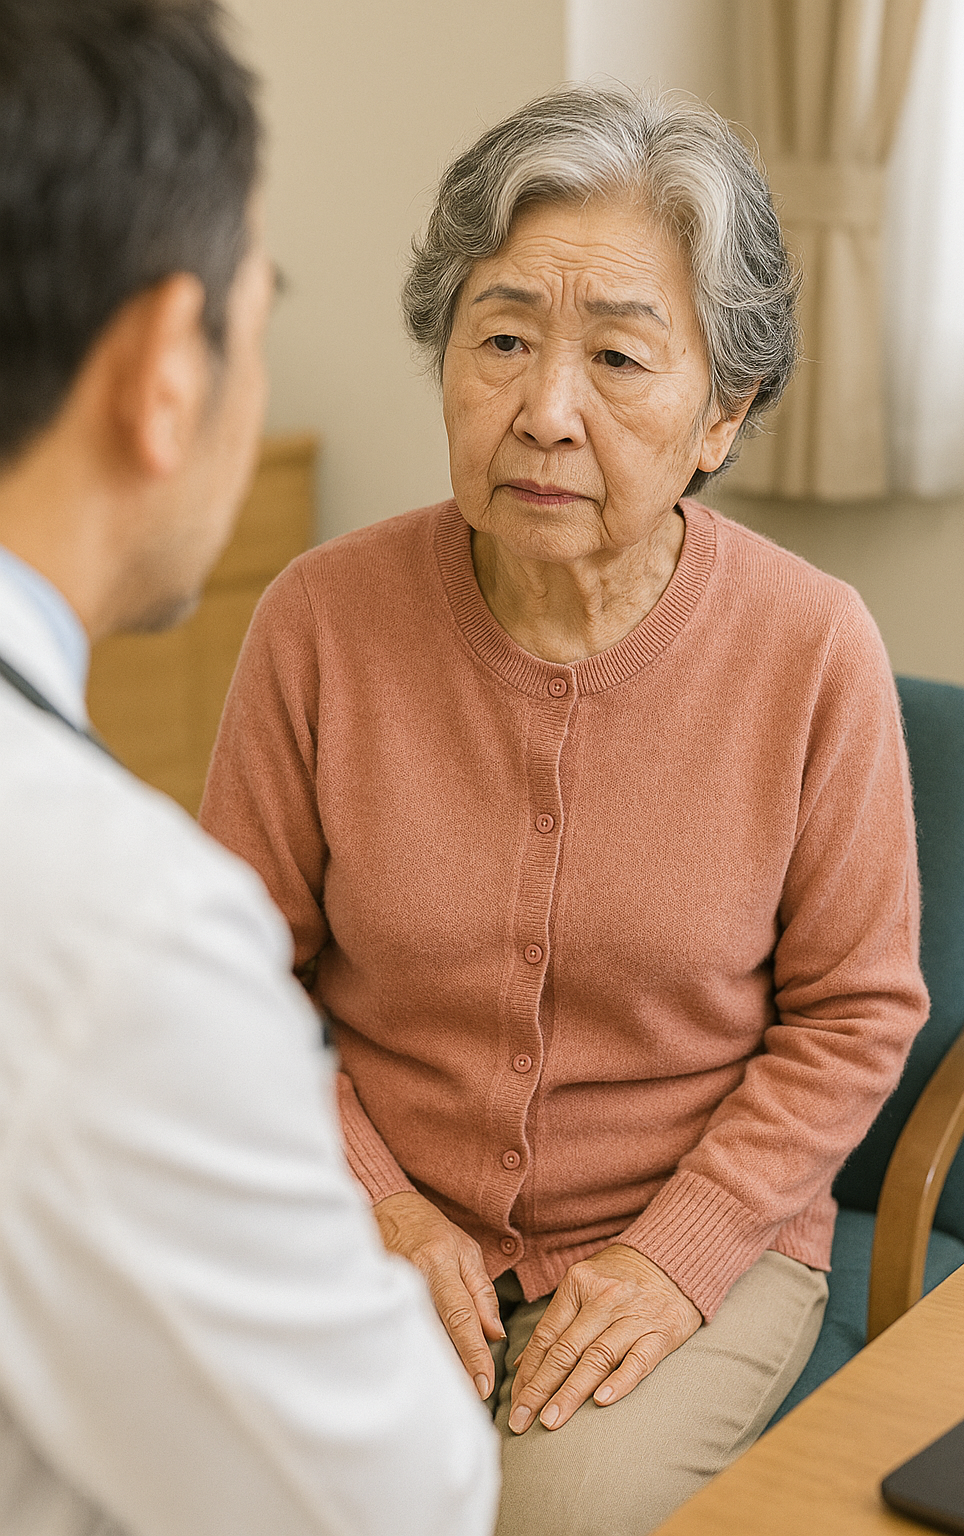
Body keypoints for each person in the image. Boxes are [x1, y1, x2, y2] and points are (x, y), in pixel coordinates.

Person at [201, 86, 929, 1536]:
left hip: (690, 1232)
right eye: (505, 339)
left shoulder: (812, 650)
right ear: (449, 360)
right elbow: (229, 978)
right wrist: (379, 1206)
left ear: (723, 410)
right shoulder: (320, 623)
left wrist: (679, 1255)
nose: (545, 409)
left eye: (616, 356)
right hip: (369, 1213)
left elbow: (857, 1012)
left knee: (551, 1517)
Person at [0, 4, 498, 1534]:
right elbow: (395, 1503)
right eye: (260, 305)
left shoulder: (807, 644)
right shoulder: (114, 932)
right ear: (167, 367)